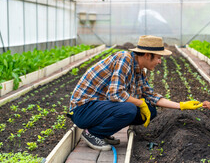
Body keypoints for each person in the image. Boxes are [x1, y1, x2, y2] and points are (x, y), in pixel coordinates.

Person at [68, 35, 203, 151]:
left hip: (97, 108)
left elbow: (150, 96)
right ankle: (93, 134)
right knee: (130, 109)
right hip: (82, 109)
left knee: (150, 110)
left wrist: (181, 105)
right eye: (158, 57)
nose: (160, 61)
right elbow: (115, 94)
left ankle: (103, 131)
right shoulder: (124, 59)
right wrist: (139, 103)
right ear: (147, 55)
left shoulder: (139, 69)